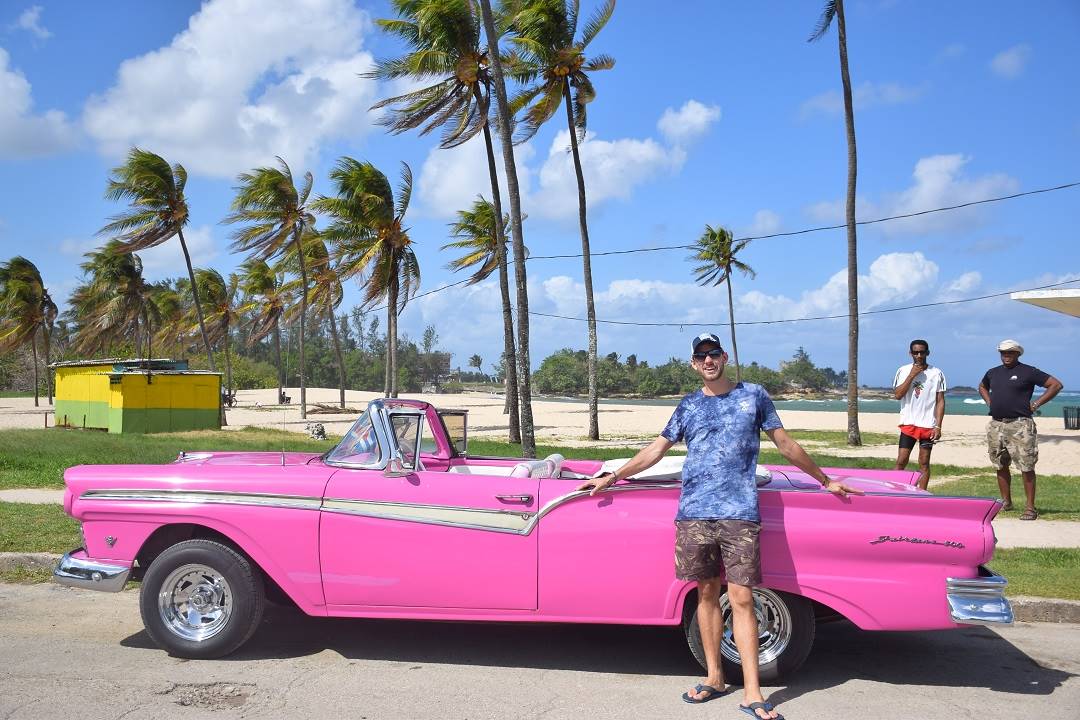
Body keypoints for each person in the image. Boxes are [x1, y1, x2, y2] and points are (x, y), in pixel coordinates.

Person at [578, 332, 862, 720]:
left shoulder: (754, 396)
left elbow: (785, 444)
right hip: (694, 513)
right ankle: (714, 678)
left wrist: (825, 480)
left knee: (743, 598)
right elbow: (655, 450)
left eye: (714, 353)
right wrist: (612, 476)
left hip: (739, 513)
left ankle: (752, 691)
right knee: (706, 595)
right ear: (694, 364)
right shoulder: (689, 405)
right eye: (701, 356)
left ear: (724, 357)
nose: (708, 360)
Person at [978, 339, 1063, 520]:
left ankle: (1030, 508)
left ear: (1018, 353)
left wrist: (1037, 403)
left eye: (1010, 352)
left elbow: (1055, 385)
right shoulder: (993, 372)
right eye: (1003, 352)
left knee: (1026, 466)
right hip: (996, 425)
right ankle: (1006, 502)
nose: (1006, 355)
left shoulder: (1028, 371)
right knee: (1000, 465)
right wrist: (989, 402)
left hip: (1021, 425)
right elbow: (982, 386)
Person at [892, 339, 946, 490]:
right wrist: (911, 375)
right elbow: (897, 395)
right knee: (901, 460)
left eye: (922, 352)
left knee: (924, 462)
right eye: (915, 352)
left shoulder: (936, 373)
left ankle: (922, 494)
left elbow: (940, 401)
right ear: (910, 353)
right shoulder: (903, 370)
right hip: (909, 423)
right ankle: (893, 491)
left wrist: (938, 426)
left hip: (928, 425)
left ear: (927, 353)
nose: (919, 355)